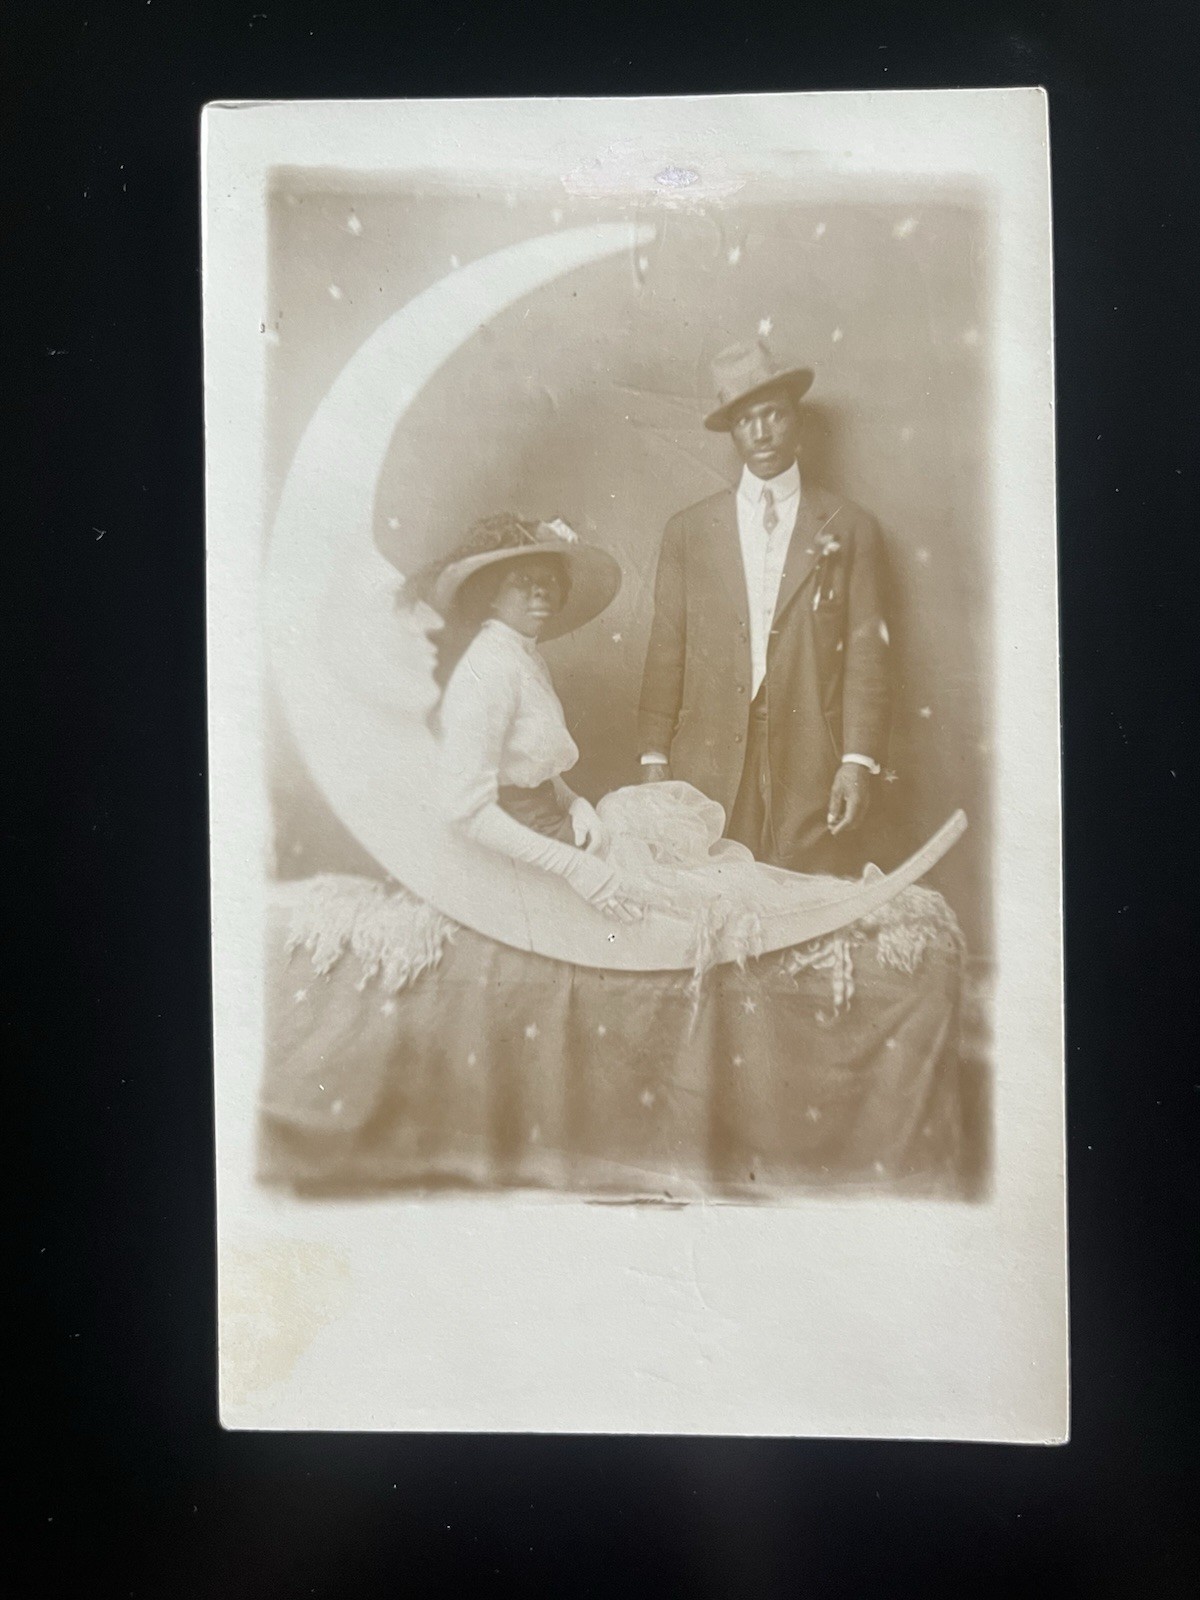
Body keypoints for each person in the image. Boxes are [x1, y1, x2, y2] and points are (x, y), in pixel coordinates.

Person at [638, 337, 891, 874]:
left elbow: (868, 655)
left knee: (802, 917)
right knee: (711, 913)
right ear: (732, 432)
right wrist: (655, 758)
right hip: (706, 763)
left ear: (794, 418)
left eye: (773, 413)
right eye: (745, 420)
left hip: (809, 763)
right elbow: (667, 649)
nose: (761, 432)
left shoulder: (848, 526)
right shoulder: (688, 530)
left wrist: (856, 761)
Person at [417, 513, 644, 924]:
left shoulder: (521, 655)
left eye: (550, 579)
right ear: (491, 593)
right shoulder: (489, 667)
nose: (541, 591)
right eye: (522, 580)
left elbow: (525, 761)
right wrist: (574, 867)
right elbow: (464, 809)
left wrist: (575, 803)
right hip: (512, 851)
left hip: (550, 825)